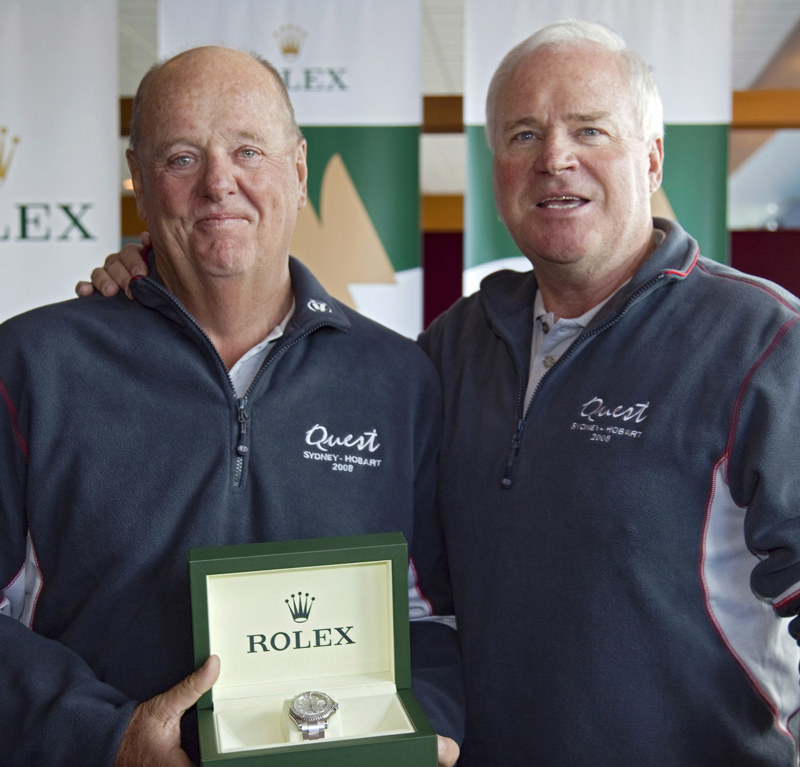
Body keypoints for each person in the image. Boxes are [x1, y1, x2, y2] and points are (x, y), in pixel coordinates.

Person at [79, 20, 800, 766]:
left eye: (590, 130)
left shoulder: (763, 342)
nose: (556, 158)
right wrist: (154, 275)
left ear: (651, 158)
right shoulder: (452, 349)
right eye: (523, 135)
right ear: (497, 170)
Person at [0, 46, 461, 766]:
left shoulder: (399, 378)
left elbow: (430, 614)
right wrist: (104, 735)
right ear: (139, 181)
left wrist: (422, 726)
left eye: (249, 150)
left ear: (300, 169)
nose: (221, 183)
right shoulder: (31, 365)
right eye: (183, 158)